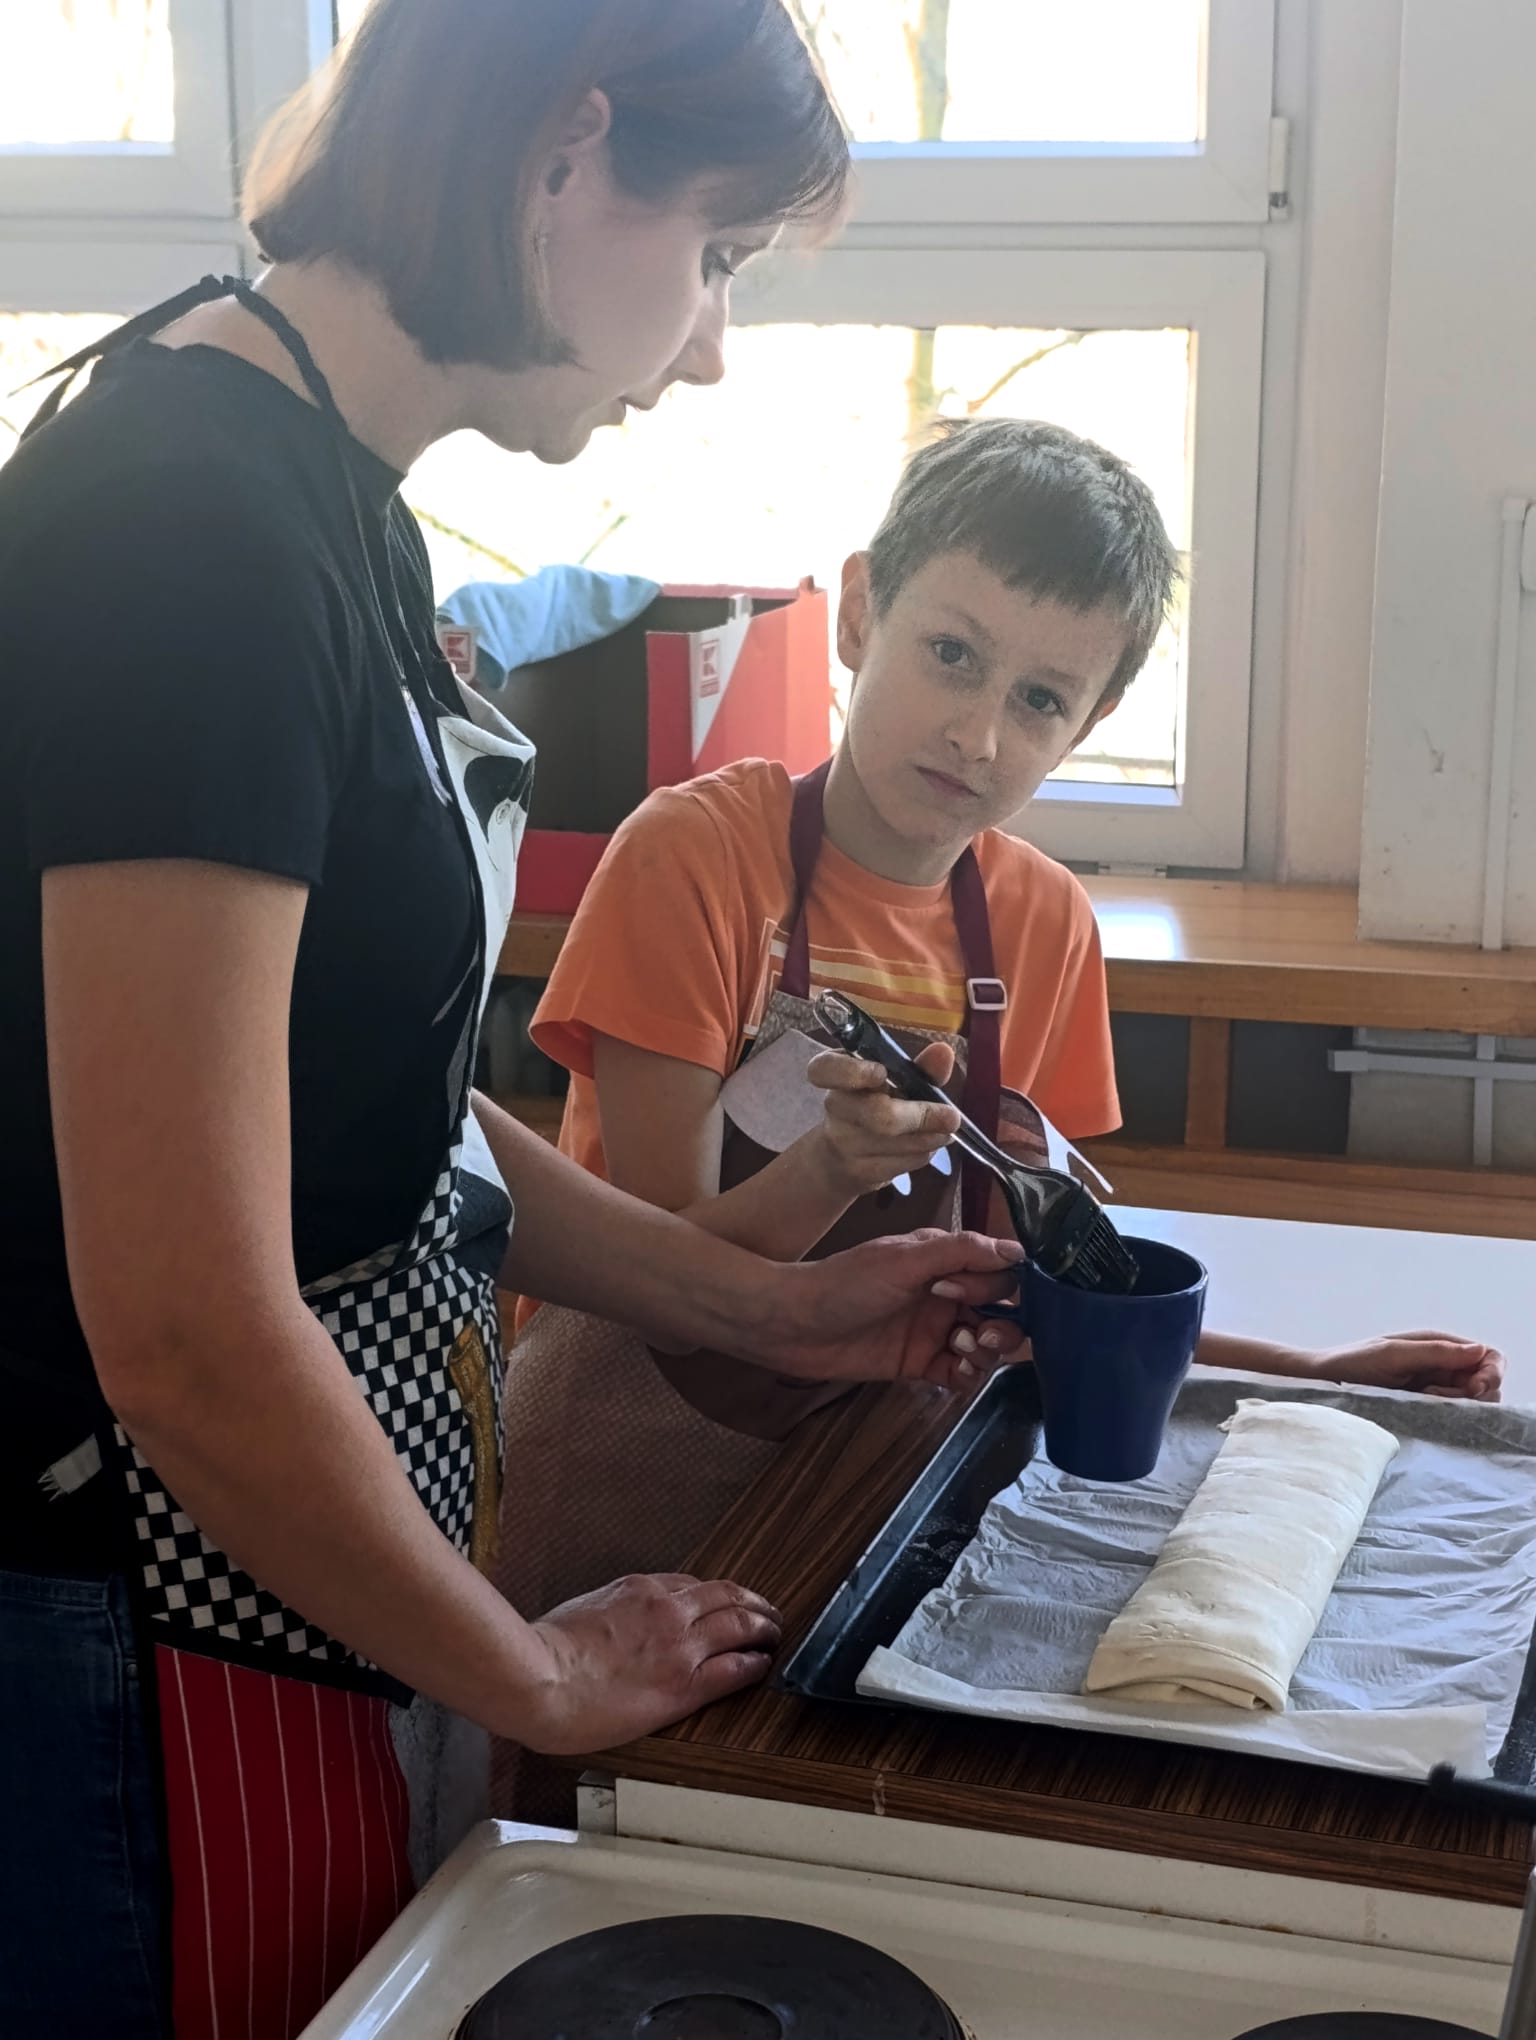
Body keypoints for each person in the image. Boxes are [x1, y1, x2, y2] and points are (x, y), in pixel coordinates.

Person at [0, 7, 1031, 2036]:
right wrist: (532, 1668)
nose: (710, 343)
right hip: (129, 1612)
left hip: (298, 1564)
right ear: (567, 153)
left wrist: (764, 1308)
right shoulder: (184, 533)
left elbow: (364, 1102)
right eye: (718, 254)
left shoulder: (330, 492)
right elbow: (185, 1320)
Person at [494, 415, 1506, 1810]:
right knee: (591, 1815)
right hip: (630, 1460)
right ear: (860, 613)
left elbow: (1054, 1282)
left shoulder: (1042, 924)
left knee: (801, 1810)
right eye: (950, 654)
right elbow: (662, 1273)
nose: (977, 732)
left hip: (875, 1465)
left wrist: (1306, 1374)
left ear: (1093, 722)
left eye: (1041, 698)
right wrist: (830, 1167)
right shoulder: (696, 859)